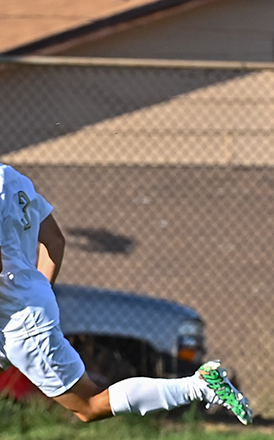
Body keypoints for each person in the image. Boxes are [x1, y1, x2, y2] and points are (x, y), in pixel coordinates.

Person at [0, 163, 252, 425]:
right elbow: (55, 240)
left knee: (88, 405)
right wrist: (37, 292)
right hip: (19, 309)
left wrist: (26, 303)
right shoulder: (11, 177)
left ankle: (200, 386)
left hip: (18, 319)